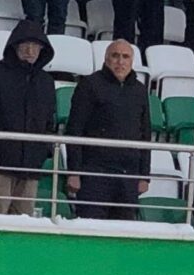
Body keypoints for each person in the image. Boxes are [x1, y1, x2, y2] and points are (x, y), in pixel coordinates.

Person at [0, 16, 58, 217]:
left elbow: (50, 122)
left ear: (43, 49)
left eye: (36, 45)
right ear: (14, 46)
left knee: (23, 227)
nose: (31, 50)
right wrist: (2, 141)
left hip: (31, 168)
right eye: (26, 44)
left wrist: (43, 151)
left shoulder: (46, 82)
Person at [63, 38, 150, 220]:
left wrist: (144, 176)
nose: (120, 61)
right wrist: (74, 172)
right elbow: (74, 129)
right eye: (115, 56)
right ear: (106, 58)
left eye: (125, 57)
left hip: (128, 176)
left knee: (124, 236)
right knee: (91, 232)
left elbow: (145, 134)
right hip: (94, 174)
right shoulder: (89, 85)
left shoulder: (140, 91)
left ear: (132, 61)